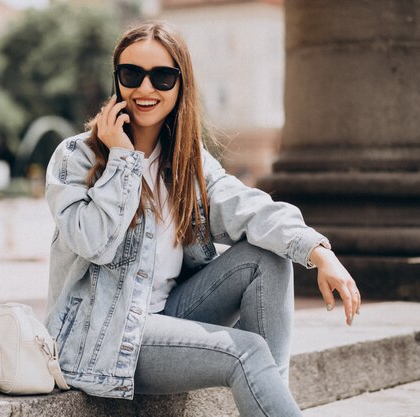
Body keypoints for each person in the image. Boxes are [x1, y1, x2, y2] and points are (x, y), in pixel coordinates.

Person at [43, 21, 361, 416]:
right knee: (246, 352)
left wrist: (317, 250)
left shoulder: (186, 161)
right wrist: (123, 161)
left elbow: (247, 206)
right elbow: (94, 242)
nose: (145, 89)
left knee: (270, 257)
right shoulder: (77, 157)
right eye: (131, 75)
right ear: (117, 80)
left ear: (180, 85)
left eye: (162, 77)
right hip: (103, 336)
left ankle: (270, 400)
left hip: (167, 315)